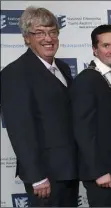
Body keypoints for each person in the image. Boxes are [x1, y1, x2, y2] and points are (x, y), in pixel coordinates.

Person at [0, 6, 78, 207]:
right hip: (45, 176)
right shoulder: (15, 73)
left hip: (69, 170)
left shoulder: (62, 67)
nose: (48, 38)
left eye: (53, 32)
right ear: (27, 38)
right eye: (40, 33)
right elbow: (20, 129)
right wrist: (37, 176)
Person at [70, 24, 111, 207]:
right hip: (101, 172)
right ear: (95, 49)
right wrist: (98, 171)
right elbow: (83, 130)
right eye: (106, 45)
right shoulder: (86, 79)